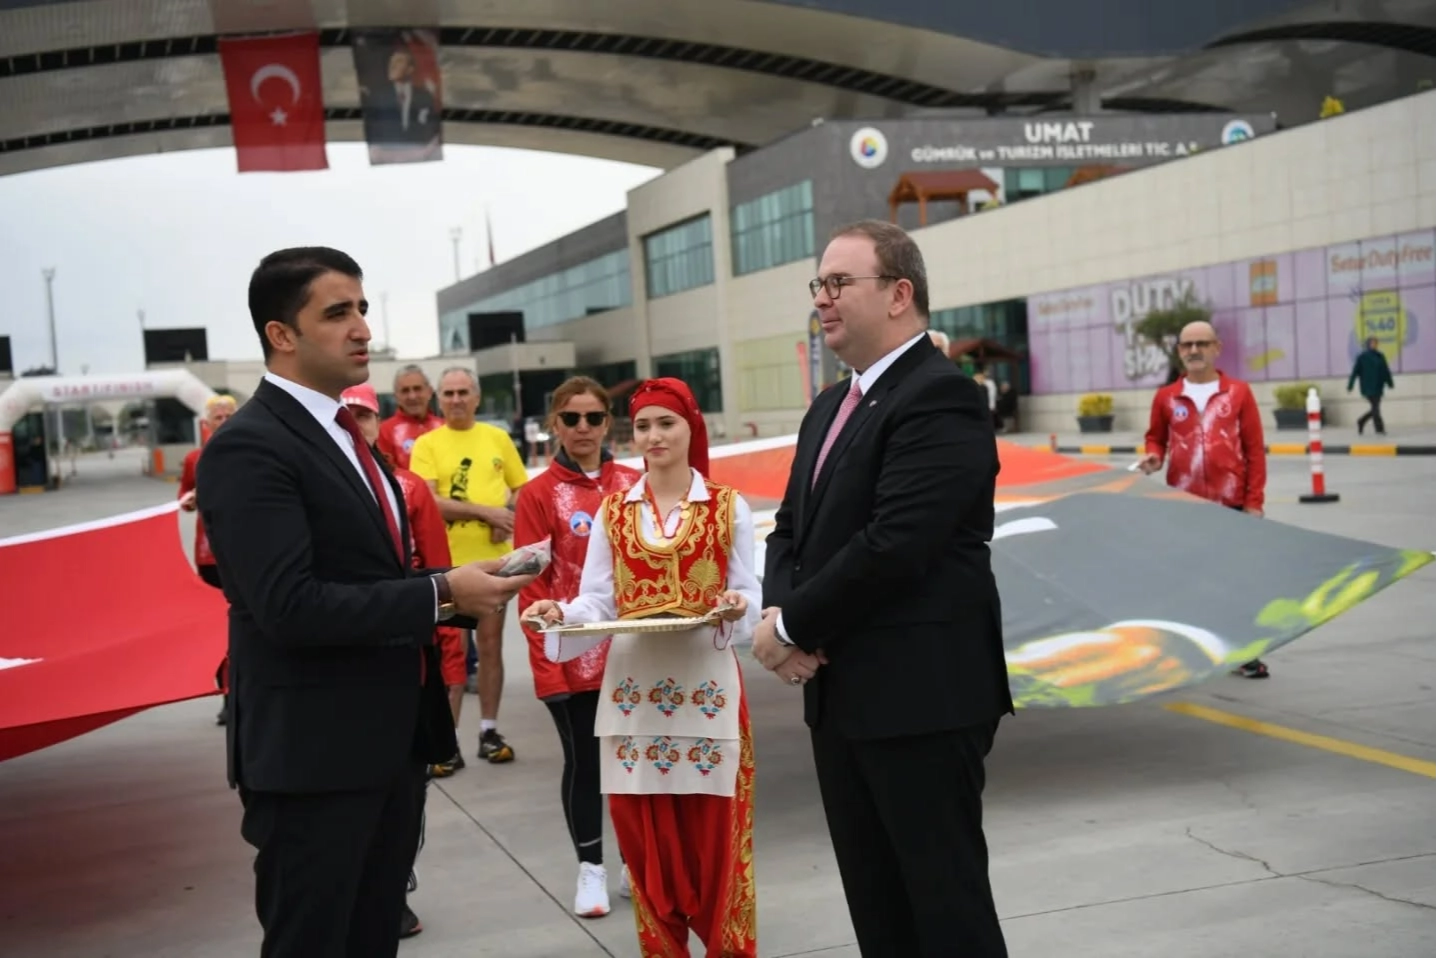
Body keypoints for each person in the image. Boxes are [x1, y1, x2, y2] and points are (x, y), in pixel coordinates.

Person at [196, 246, 534, 958]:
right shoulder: (250, 446)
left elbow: (368, 573)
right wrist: (441, 592)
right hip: (314, 761)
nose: (362, 329)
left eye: (363, 309)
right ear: (281, 334)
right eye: (337, 313)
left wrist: (460, 587)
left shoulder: (345, 436)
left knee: (373, 938)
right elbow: (289, 606)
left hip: (387, 748)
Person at [752, 219, 1012, 958]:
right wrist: (781, 618)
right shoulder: (829, 408)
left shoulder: (941, 397)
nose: (822, 298)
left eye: (839, 283)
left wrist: (792, 628)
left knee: (946, 912)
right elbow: (789, 531)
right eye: (819, 284)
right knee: (879, 910)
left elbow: (896, 545)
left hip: (921, 700)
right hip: (839, 699)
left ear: (900, 294)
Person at [522, 377, 762, 958]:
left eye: (666, 423)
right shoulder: (614, 512)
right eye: (644, 426)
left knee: (716, 837)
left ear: (691, 428)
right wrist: (559, 614)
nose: (654, 436)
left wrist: (735, 606)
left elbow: (750, 597)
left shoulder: (728, 507)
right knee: (645, 839)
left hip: (707, 689)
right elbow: (598, 601)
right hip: (635, 696)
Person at [512, 376, 643, 918]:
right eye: (571, 418)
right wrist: (548, 665)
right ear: (555, 425)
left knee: (635, 762)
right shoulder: (538, 494)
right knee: (586, 764)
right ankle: (591, 868)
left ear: (608, 423)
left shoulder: (635, 483)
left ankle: (636, 864)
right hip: (573, 659)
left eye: (593, 417)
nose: (583, 428)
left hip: (637, 653)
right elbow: (531, 586)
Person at [341, 381, 468, 939]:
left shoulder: (410, 487)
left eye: (363, 415)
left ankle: (395, 885)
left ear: (379, 424)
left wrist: (450, 665)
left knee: (407, 790)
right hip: (347, 664)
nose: (356, 424)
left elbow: (442, 580)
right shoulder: (320, 483)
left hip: (412, 660)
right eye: (345, 414)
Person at [409, 367, 530, 768]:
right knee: (453, 655)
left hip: (495, 563)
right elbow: (430, 501)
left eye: (463, 392)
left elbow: (522, 488)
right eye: (449, 393)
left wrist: (506, 513)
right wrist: (486, 513)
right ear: (438, 399)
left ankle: (489, 731)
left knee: (491, 647)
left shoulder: (497, 438)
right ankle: (449, 742)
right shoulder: (427, 444)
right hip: (447, 568)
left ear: (476, 398)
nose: (456, 399)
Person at [1139, 319, 1271, 679]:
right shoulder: (1166, 397)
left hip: (1231, 505)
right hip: (1184, 507)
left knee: (1236, 580)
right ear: (1179, 351)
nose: (1194, 350)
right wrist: (1154, 456)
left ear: (1217, 348)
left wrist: (1254, 501)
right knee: (1190, 580)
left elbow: (1255, 451)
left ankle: (1244, 652)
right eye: (1187, 345)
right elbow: (1156, 438)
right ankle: (1196, 651)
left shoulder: (1238, 393)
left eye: (1202, 343)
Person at [178, 393, 237, 726]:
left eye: (229, 416)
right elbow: (184, 496)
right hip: (209, 557)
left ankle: (245, 694)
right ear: (207, 423)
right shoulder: (194, 459)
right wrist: (191, 500)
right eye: (219, 417)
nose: (224, 421)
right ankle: (227, 696)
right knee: (218, 629)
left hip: (244, 551)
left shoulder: (249, 452)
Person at [376, 364, 443, 471]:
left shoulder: (444, 426)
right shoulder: (384, 432)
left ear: (429, 392)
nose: (412, 396)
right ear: (396, 396)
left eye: (417, 389)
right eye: (405, 391)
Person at [1347, 336, 1395, 436]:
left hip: (1378, 386)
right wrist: (1350, 385)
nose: (1374, 345)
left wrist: (1389, 382)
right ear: (1368, 344)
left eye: (1376, 343)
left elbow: (1385, 370)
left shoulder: (1380, 356)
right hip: (1367, 387)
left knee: (1375, 408)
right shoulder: (1362, 357)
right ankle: (1379, 429)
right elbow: (1355, 372)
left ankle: (1361, 421)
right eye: (1373, 343)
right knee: (1375, 408)